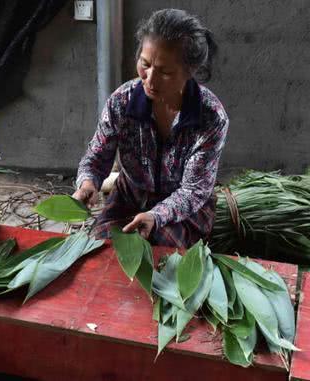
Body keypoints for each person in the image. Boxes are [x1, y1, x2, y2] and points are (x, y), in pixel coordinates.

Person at [73, 9, 229, 248]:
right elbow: (96, 157)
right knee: (101, 248)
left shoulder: (210, 118)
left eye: (165, 72)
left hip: (182, 211)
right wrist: (87, 183)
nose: (150, 79)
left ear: (190, 71)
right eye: (145, 64)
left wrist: (156, 216)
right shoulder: (121, 102)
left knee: (161, 254)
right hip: (129, 198)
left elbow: (194, 190)